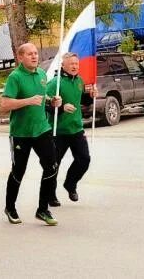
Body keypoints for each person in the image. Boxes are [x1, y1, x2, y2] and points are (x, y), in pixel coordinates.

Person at [0, 42, 62, 226]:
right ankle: (10, 207)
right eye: (29, 54)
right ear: (20, 57)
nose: (34, 56)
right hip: (21, 133)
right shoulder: (15, 77)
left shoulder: (42, 74)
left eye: (35, 53)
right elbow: (4, 105)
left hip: (42, 129)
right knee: (19, 171)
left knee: (51, 166)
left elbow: (42, 98)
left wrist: (53, 101)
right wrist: (27, 101)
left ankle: (42, 209)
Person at [46, 53, 97, 205]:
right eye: (71, 64)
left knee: (84, 160)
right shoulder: (55, 83)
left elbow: (82, 100)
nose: (75, 66)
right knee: (54, 165)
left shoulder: (79, 81)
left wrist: (90, 96)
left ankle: (70, 184)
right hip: (58, 131)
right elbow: (45, 103)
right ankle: (50, 195)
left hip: (76, 129)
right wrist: (61, 107)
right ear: (63, 66)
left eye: (76, 63)